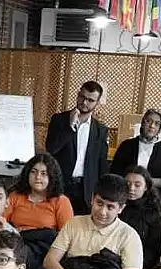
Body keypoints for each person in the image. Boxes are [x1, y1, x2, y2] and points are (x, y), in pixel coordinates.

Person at [43, 174, 143, 269]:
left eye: (110, 207)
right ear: (92, 199)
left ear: (121, 208)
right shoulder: (74, 223)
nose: (102, 212)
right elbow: (49, 261)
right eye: (99, 203)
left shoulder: (129, 236)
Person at [45, 81, 111, 215]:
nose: (84, 102)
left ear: (97, 103)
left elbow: (101, 164)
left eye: (90, 100)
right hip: (60, 185)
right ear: (78, 95)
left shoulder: (100, 130)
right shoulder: (59, 120)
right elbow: (51, 148)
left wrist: (101, 193)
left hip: (85, 189)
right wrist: (69, 127)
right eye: (82, 97)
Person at [4, 153, 74, 232]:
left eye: (43, 173)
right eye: (33, 172)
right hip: (16, 238)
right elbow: (1, 222)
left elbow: (67, 235)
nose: (37, 177)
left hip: (48, 239)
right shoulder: (15, 196)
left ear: (52, 177)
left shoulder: (61, 201)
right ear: (27, 174)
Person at [111, 109, 161, 194]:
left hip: (154, 195)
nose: (152, 126)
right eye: (148, 121)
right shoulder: (127, 145)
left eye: (157, 123)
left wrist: (147, 182)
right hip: (128, 192)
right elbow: (115, 172)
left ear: (159, 128)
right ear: (142, 123)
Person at [119, 166, 161, 269]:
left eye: (137, 185)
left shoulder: (154, 212)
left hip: (140, 267)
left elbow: (154, 251)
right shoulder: (115, 205)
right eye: (127, 184)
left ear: (146, 187)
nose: (131, 188)